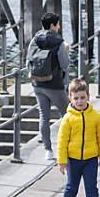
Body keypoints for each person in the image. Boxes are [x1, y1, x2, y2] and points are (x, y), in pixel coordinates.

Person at [27, 12, 70, 161]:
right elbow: (64, 64)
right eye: (57, 24)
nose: (59, 27)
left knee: (44, 116)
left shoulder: (35, 39)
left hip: (37, 83)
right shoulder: (58, 42)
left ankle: (48, 151)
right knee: (68, 114)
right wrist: (66, 51)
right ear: (52, 25)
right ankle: (66, 147)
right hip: (54, 84)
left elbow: (28, 60)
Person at [57, 78, 100, 197]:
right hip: (72, 159)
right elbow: (62, 141)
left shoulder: (97, 117)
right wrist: (62, 161)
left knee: (91, 188)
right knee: (71, 187)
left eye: (83, 97)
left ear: (88, 96)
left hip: (91, 159)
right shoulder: (67, 118)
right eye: (76, 98)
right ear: (70, 98)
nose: (79, 101)